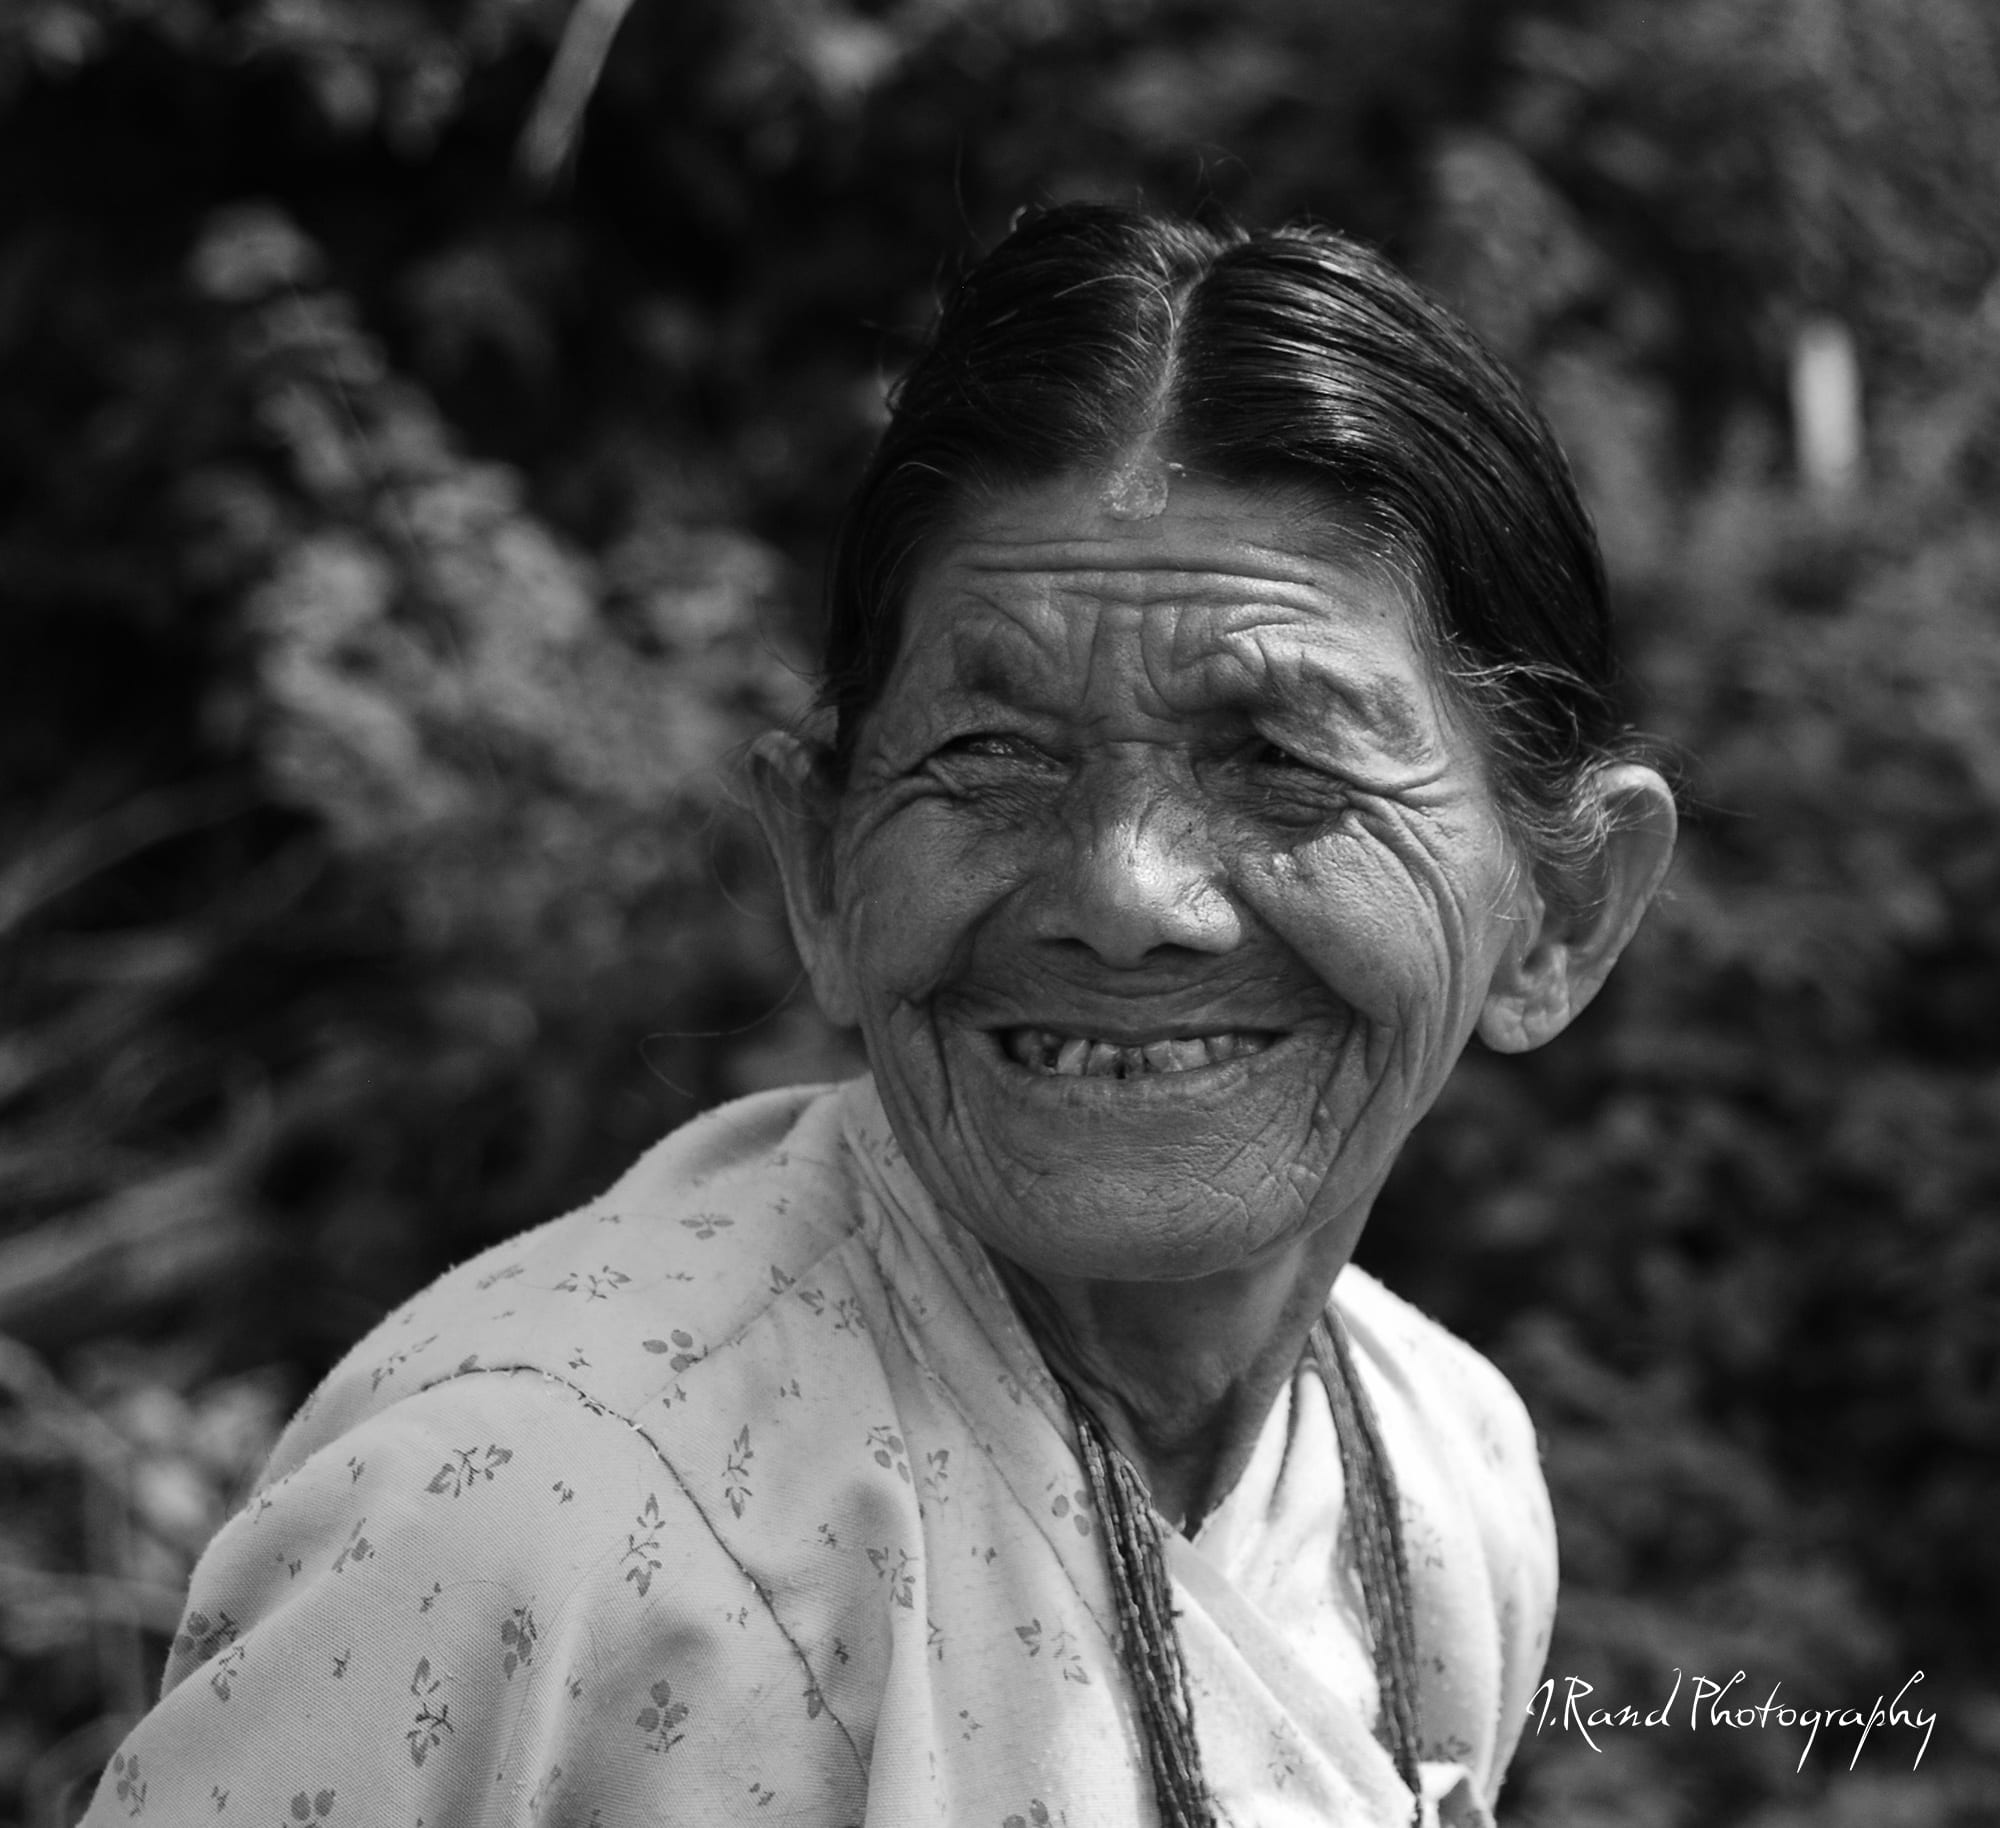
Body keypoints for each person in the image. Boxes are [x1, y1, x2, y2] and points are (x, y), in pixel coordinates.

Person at [83, 205, 1676, 1828]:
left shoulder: (1435, 1478)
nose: (1122, 892)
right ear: (825, 868)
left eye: (1280, 758)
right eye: (992, 755)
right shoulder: (526, 1525)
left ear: (1562, 911)